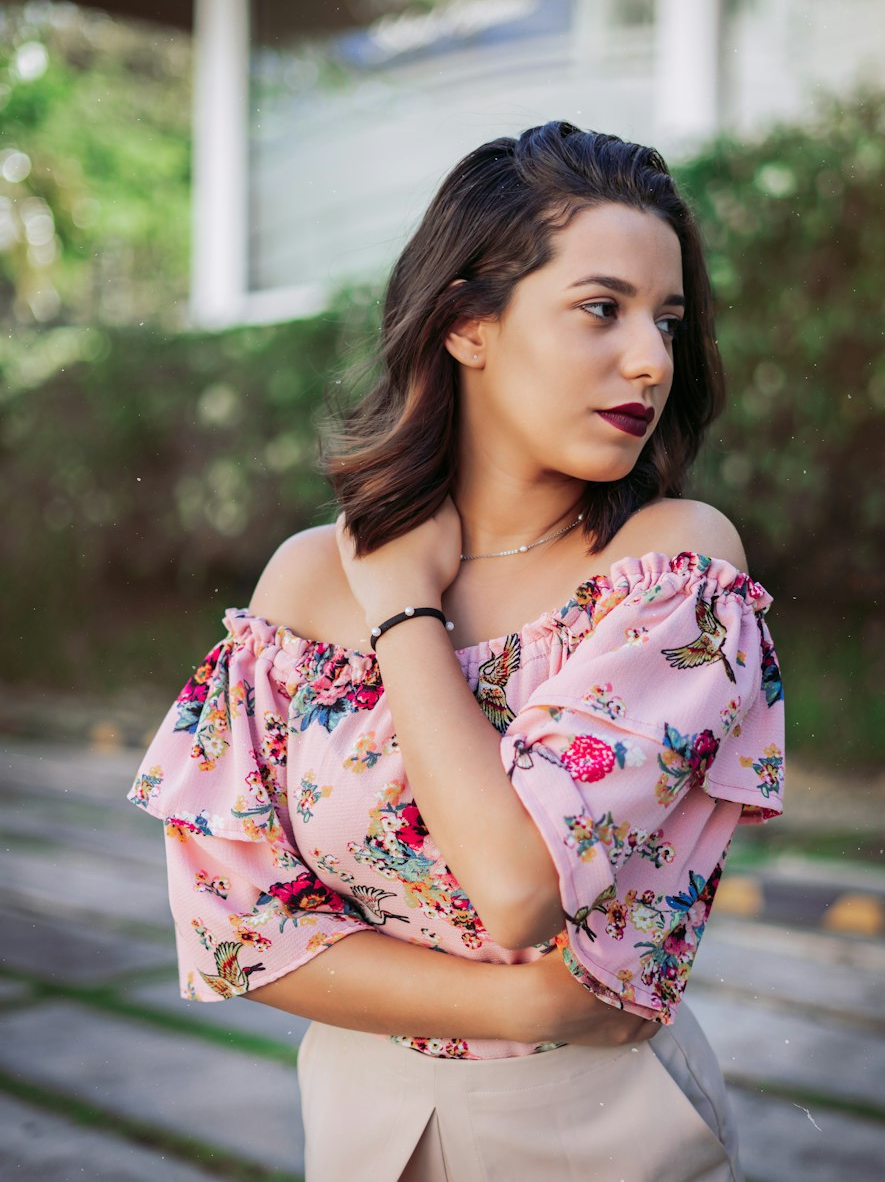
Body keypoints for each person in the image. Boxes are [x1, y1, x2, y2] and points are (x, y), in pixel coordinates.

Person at [127, 121, 785, 1182]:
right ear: (467, 322)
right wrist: (522, 999)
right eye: (601, 308)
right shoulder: (302, 581)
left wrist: (402, 612)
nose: (651, 358)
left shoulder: (673, 569)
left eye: (668, 319)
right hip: (358, 1131)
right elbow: (234, 929)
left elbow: (520, 883)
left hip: (602, 1134)